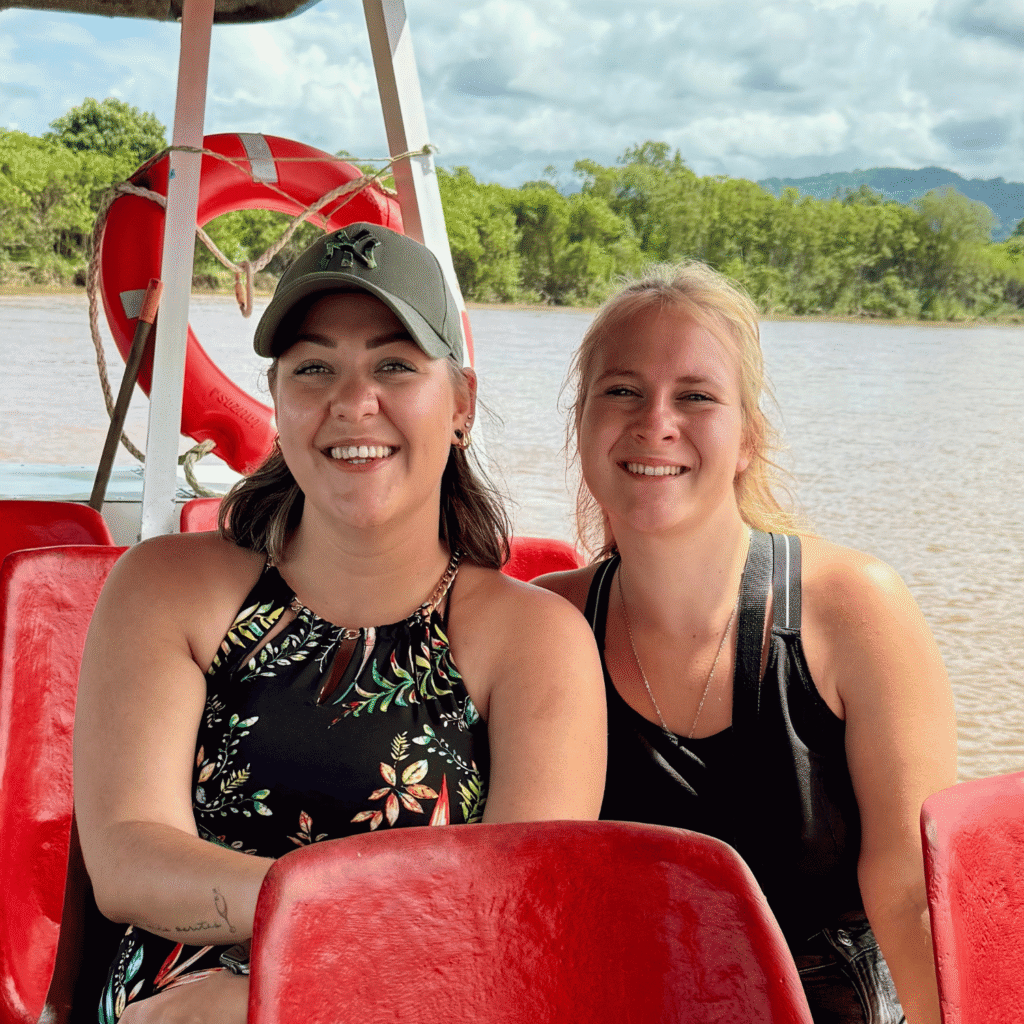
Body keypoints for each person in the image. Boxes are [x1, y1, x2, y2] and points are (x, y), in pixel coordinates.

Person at [75, 222, 606, 1024]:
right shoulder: (165, 588)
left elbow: (507, 912)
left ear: (459, 404)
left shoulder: (534, 640)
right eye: (315, 368)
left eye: (394, 365)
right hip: (179, 1000)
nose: (354, 404)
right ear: (280, 406)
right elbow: (126, 858)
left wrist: (296, 980)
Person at [535, 261, 956, 1024]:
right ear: (582, 425)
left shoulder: (854, 607)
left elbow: (911, 898)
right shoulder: (546, 626)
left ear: (746, 442)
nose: (654, 420)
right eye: (622, 390)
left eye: (695, 396)